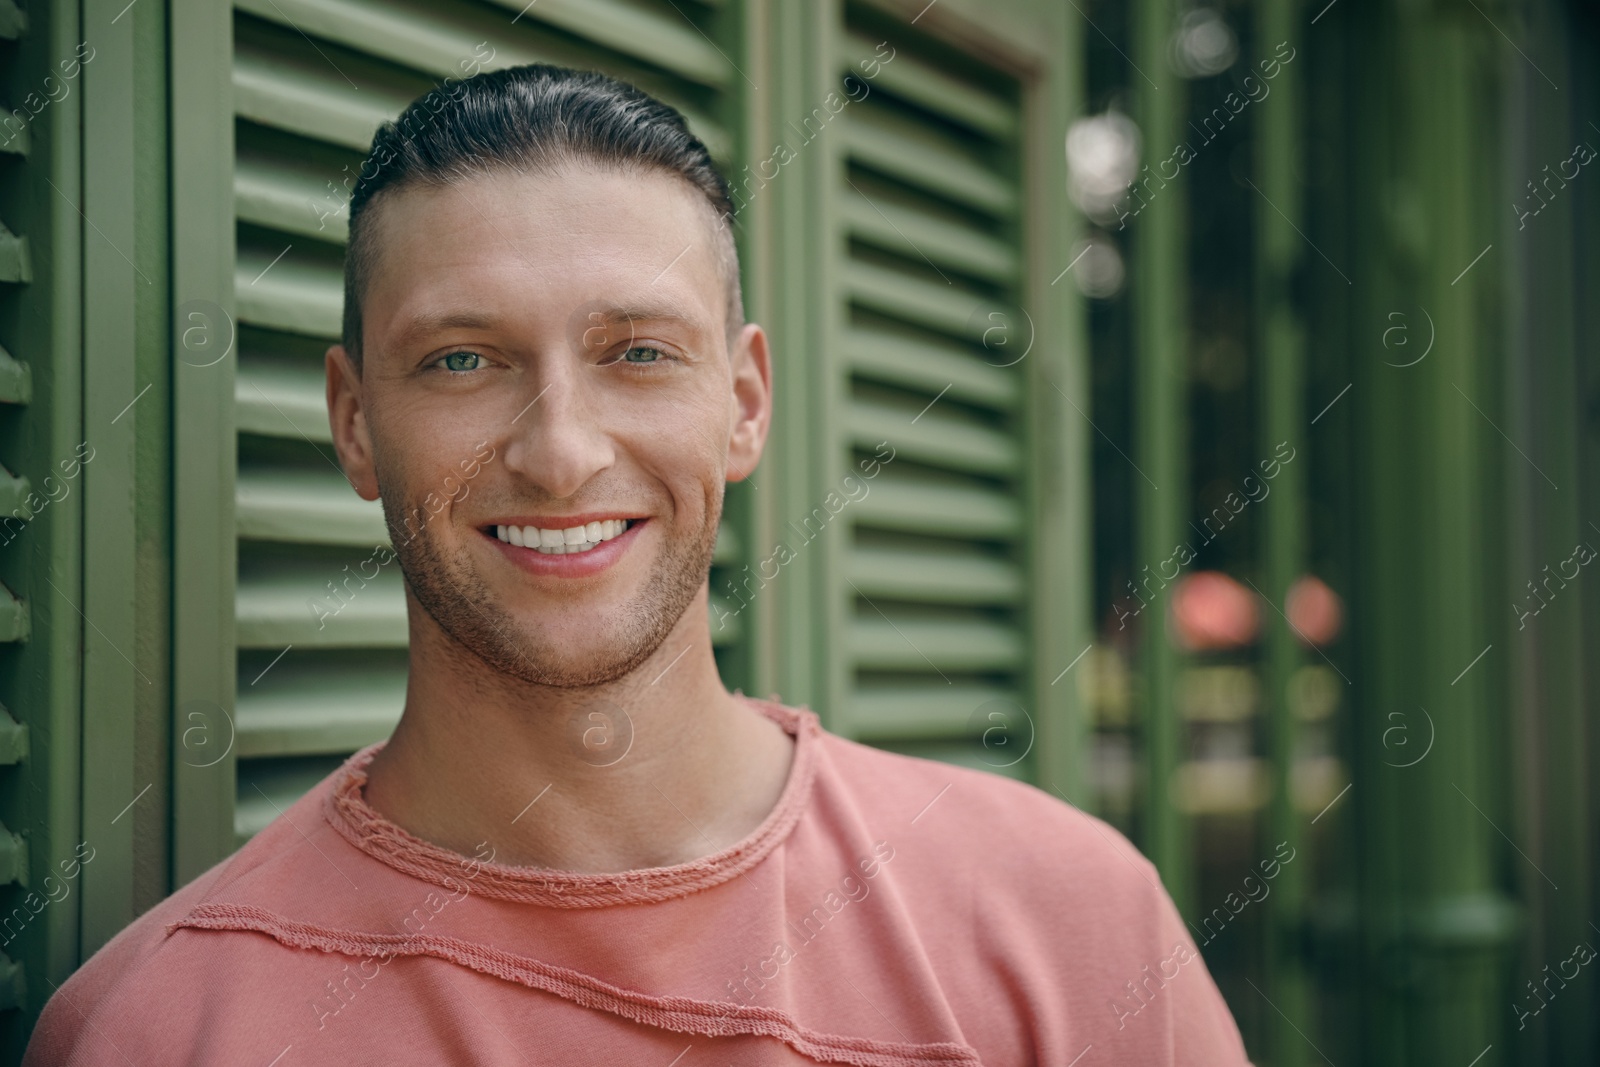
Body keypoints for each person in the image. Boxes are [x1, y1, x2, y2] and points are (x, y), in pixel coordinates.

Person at [24, 64, 1251, 1066]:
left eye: (639, 353)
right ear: (354, 420)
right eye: (462, 358)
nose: (559, 452)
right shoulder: (161, 1025)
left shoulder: (1068, 923)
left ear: (746, 401)